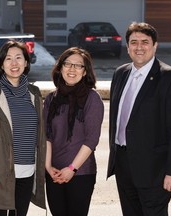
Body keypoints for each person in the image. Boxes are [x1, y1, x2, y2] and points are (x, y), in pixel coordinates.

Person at [107, 22, 171, 216]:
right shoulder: (120, 74)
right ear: (127, 46)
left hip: (155, 171)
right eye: (133, 42)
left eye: (145, 42)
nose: (139, 47)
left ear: (155, 45)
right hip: (123, 164)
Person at [0, 40, 46, 216]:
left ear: (26, 62)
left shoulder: (34, 94)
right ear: (1, 64)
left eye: (19, 58)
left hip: (27, 172)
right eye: (8, 58)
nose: (14, 63)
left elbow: (40, 135)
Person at [43, 47, 104, 216]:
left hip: (81, 173)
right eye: (67, 64)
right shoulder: (51, 99)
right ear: (60, 67)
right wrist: (48, 167)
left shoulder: (92, 99)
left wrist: (72, 169)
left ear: (85, 72)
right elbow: (46, 135)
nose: (72, 69)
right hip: (53, 172)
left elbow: (91, 140)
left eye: (78, 66)